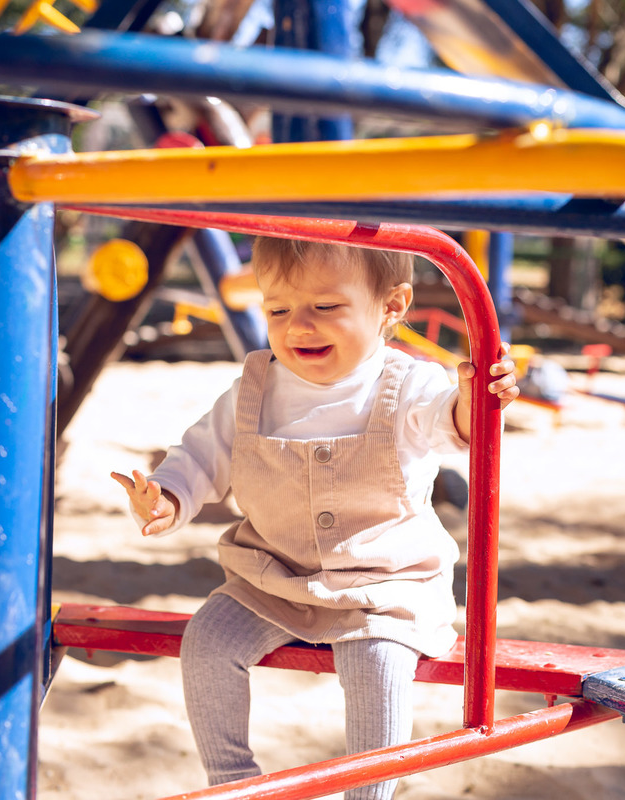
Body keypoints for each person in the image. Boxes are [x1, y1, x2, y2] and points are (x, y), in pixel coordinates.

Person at [112, 237, 519, 800]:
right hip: (273, 577)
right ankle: (233, 781)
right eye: (278, 309)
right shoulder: (253, 390)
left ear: (392, 308)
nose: (299, 326)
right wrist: (169, 497)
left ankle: (367, 794)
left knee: (376, 665)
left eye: (325, 307)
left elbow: (452, 424)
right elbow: (201, 456)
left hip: (383, 586)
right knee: (206, 641)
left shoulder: (408, 385)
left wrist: (475, 399)